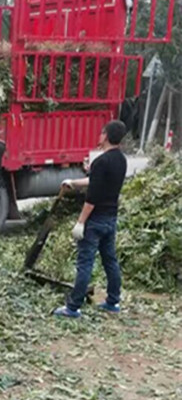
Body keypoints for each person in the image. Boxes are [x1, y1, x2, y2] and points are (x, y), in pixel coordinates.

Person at [54, 120, 128, 318]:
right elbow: (96, 181)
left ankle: (73, 307)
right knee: (110, 260)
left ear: (105, 135)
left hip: (95, 220)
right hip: (111, 218)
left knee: (85, 263)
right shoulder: (121, 159)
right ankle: (113, 301)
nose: (99, 136)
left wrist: (81, 221)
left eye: (101, 133)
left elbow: (93, 196)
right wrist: (74, 182)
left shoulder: (101, 161)